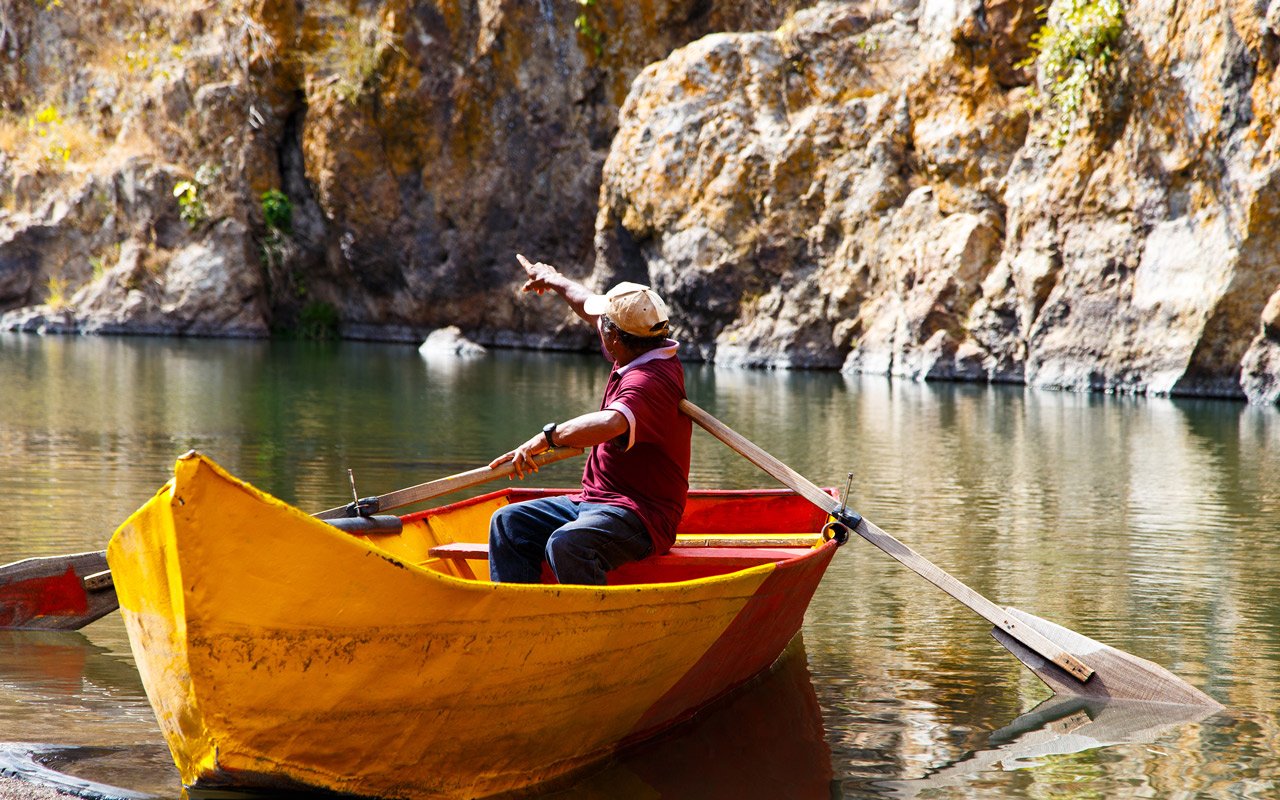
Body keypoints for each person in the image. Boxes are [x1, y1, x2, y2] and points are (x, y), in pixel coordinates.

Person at [486, 254, 691, 585]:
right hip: (593, 502)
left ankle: (588, 630)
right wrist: (552, 277)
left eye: (603, 327)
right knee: (507, 523)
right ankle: (520, 618)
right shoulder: (638, 344)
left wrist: (548, 438)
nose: (598, 328)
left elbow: (610, 424)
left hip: (641, 518)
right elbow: (586, 304)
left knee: (568, 544)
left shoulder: (651, 380)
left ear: (614, 338)